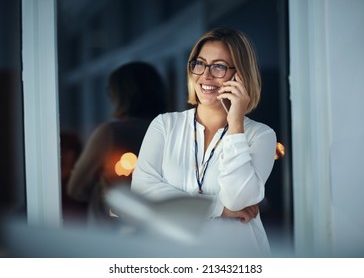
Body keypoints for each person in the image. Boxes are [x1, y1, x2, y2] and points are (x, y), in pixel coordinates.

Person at [131, 28, 277, 254]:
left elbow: (238, 200)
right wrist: (219, 208)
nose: (206, 76)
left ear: (240, 76)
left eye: (219, 66)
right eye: (200, 64)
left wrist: (235, 124)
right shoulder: (165, 125)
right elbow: (142, 189)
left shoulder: (261, 135)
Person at [67, 61, 167, 227]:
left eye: (110, 92)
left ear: (120, 95)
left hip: (113, 232)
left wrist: (102, 184)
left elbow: (76, 189)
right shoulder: (171, 131)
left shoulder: (111, 133)